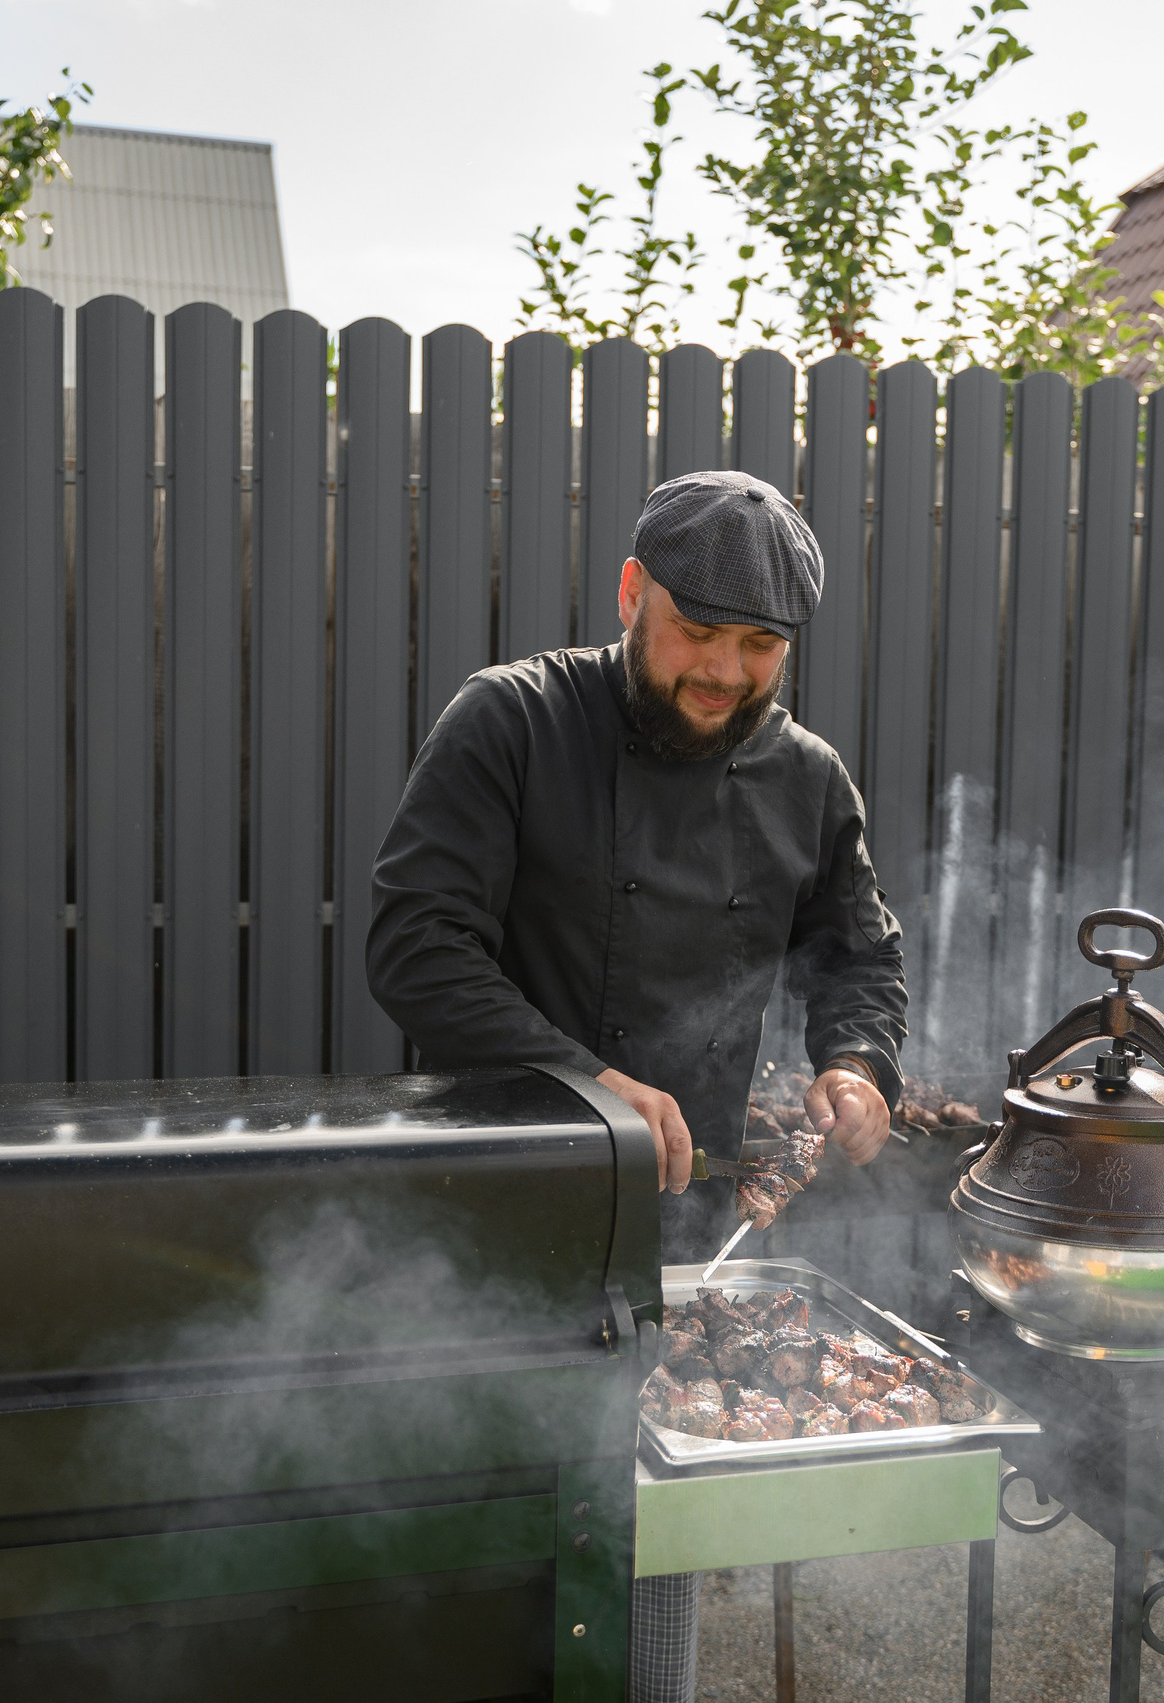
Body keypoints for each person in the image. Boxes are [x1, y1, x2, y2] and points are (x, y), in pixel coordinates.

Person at [366, 468, 909, 1703]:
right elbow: (414, 945)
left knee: (651, 1544)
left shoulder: (809, 778)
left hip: (678, 1230)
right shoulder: (509, 720)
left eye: (758, 643)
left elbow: (858, 953)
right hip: (494, 1210)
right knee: (487, 1544)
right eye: (696, 631)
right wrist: (589, 1079)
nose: (723, 670)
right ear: (630, 592)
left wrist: (855, 1061)